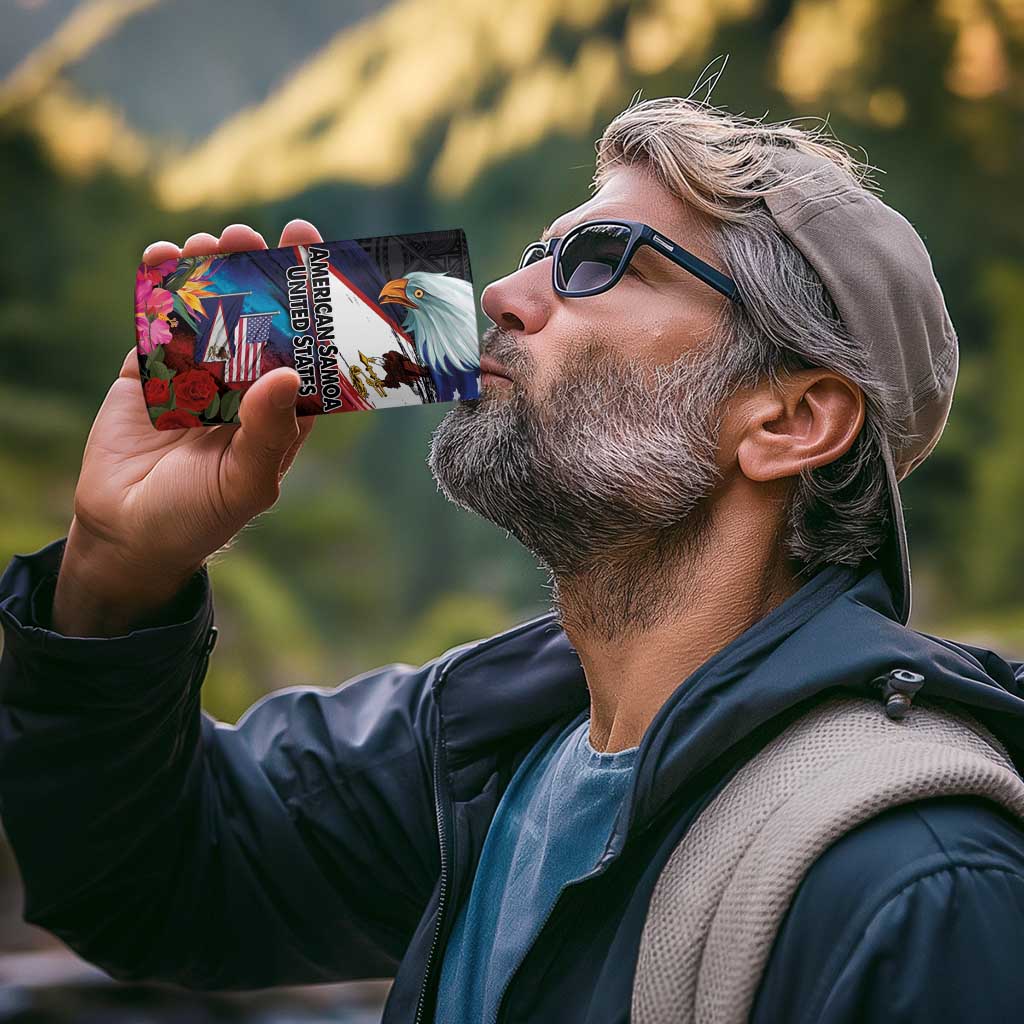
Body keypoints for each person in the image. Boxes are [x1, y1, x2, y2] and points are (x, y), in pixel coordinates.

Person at [2, 96, 1024, 1024]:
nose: (499, 291)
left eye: (599, 262)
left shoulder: (918, 883)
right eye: (539, 252)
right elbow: (149, 880)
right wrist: (116, 569)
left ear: (791, 419)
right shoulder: (480, 748)